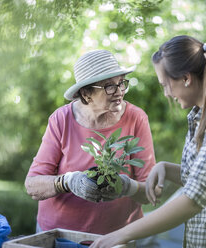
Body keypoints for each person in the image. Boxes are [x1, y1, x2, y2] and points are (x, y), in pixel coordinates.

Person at [90, 35, 206, 247]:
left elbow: (192, 200)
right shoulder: (200, 116)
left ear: (186, 78)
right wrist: (167, 169)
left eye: (166, 85)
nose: (167, 93)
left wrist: (122, 234)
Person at [24, 49, 156, 235]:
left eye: (121, 83)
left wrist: (127, 186)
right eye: (109, 86)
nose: (119, 91)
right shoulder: (61, 119)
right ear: (86, 94)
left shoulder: (136, 118)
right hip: (61, 234)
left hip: (118, 235)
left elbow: (151, 190)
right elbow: (32, 185)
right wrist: (68, 182)